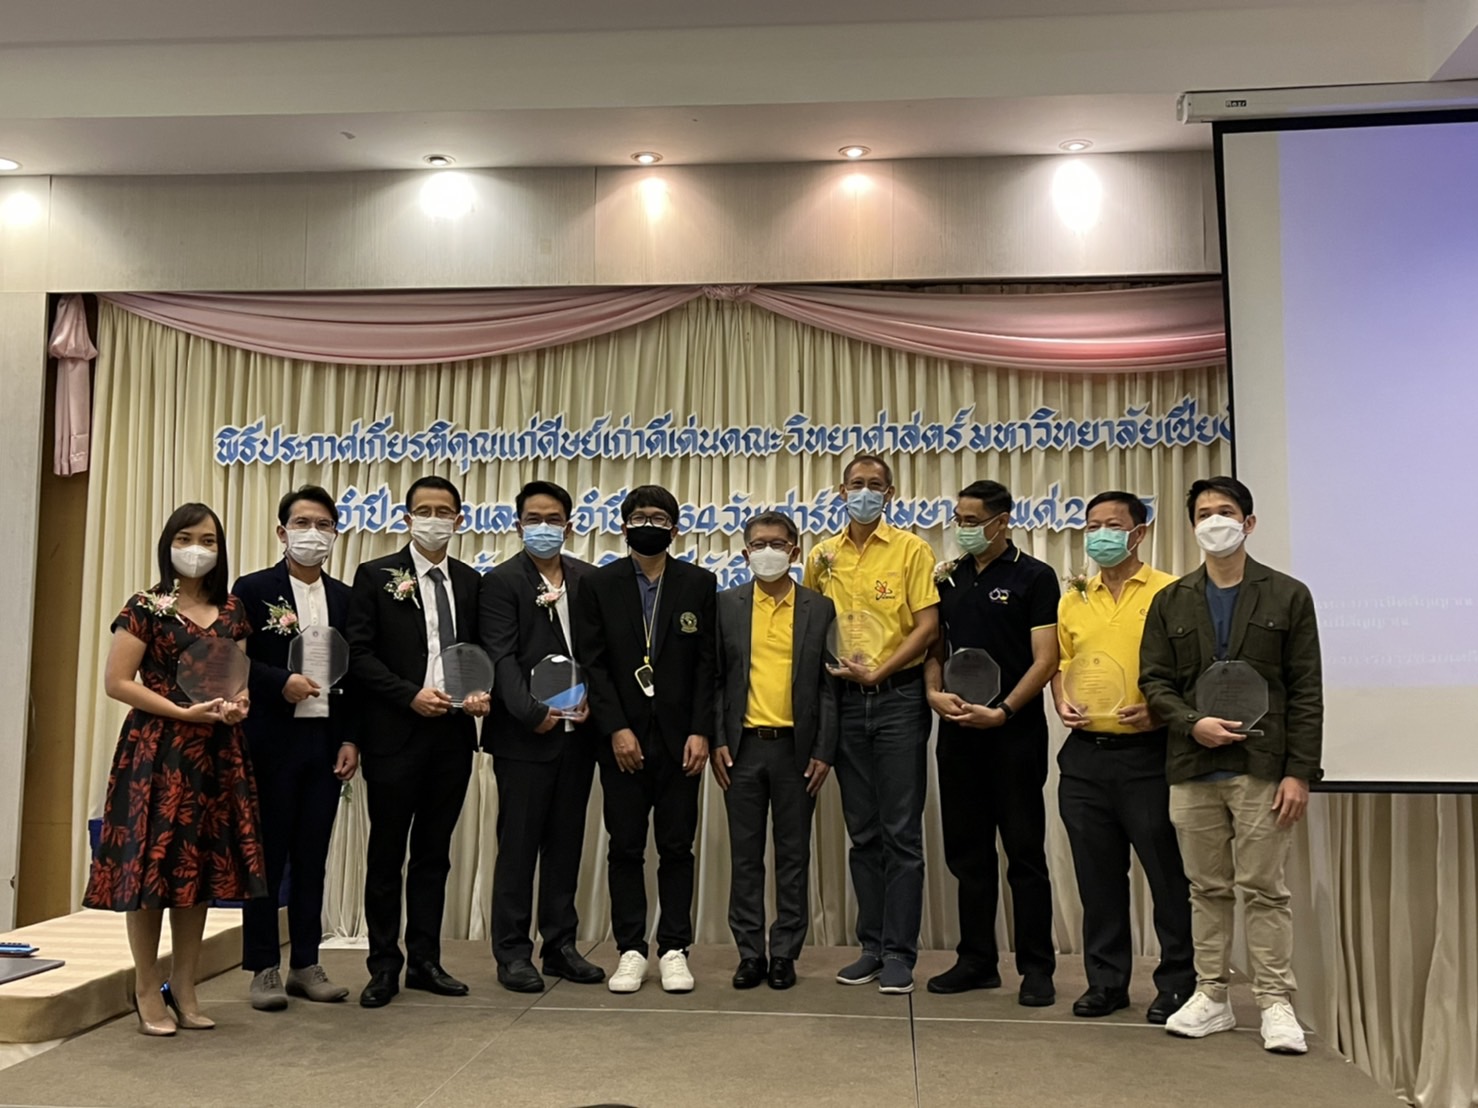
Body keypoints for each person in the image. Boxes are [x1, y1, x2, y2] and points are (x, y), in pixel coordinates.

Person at [1139, 476, 1323, 1054]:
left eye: (1225, 511)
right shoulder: (1171, 600)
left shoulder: (1287, 595)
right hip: (1192, 765)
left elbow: (1306, 690)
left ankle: (1274, 1002)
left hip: (1262, 765)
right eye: (1203, 513)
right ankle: (1211, 995)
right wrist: (1192, 721)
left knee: (1265, 890)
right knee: (1205, 889)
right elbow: (1154, 681)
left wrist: (1299, 771)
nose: (1214, 521)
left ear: (1248, 523)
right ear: (1192, 525)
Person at [84, 503, 263, 1036]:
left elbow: (237, 678)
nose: (197, 549)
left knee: (198, 869)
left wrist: (239, 704)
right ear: (168, 544)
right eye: (186, 538)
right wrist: (181, 712)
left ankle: (185, 985)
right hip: (157, 752)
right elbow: (118, 682)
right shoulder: (145, 606)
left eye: (208, 540)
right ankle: (146, 986)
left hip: (217, 754)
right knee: (150, 869)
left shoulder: (232, 609)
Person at [346, 475, 489, 1009]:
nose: (434, 519)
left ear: (459, 519)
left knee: (434, 855)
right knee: (387, 855)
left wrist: (479, 693)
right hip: (395, 734)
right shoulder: (376, 574)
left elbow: (479, 653)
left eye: (443, 511)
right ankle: (384, 965)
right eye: (424, 511)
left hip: (452, 736)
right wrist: (409, 696)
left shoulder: (471, 581)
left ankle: (426, 961)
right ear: (407, 519)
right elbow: (359, 655)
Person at [1052, 490, 1193, 1023]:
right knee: (1097, 878)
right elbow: (1063, 662)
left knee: (1167, 876)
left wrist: (1160, 712)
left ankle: (1178, 984)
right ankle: (1106, 983)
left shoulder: (1171, 592)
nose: (1100, 535)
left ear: (1139, 532)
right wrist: (1060, 699)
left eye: (1112, 525)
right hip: (1085, 758)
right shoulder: (1074, 596)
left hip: (1149, 756)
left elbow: (1191, 668)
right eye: (1092, 526)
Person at [803, 455, 938, 995]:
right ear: (841, 491)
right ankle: (872, 947)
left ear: (891, 493)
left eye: (875, 485)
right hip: (844, 702)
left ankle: (901, 953)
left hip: (898, 697)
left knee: (901, 831)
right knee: (863, 832)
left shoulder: (911, 549)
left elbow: (927, 626)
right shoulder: (822, 555)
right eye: (856, 484)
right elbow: (811, 624)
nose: (865, 492)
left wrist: (881, 669)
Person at [574, 484, 717, 995]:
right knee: (626, 847)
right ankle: (631, 949)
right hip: (622, 742)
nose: (648, 525)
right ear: (624, 526)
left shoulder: (699, 582)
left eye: (658, 517)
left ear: (674, 528)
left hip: (682, 742)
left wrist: (701, 729)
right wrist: (616, 728)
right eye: (639, 517)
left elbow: (708, 665)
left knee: (677, 847)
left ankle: (675, 949)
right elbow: (593, 663)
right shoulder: (599, 584)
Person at [923, 479, 1060, 1005]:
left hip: (1013, 733)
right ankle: (977, 960)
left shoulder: (1034, 576)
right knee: (967, 853)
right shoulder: (948, 576)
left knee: (1024, 853)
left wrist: (1003, 711)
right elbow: (935, 647)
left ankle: (1037, 968)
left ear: (1002, 522)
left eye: (972, 521)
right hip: (958, 732)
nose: (963, 528)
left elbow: (1046, 659)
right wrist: (933, 692)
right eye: (958, 519)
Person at [233, 485, 360, 1011]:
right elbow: (234, 660)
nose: (313, 533)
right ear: (282, 532)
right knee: (267, 857)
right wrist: (277, 681)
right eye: (303, 523)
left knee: (313, 856)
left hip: (325, 742)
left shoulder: (346, 597)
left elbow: (356, 673)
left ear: (335, 534)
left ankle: (306, 963)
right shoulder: (253, 588)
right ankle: (264, 966)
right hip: (271, 741)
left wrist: (351, 738)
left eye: (323, 524)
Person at [478, 480, 604, 993]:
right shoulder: (502, 581)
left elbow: (599, 653)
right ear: (518, 525)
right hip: (524, 737)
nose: (544, 527)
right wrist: (532, 714)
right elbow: (501, 656)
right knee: (518, 846)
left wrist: (595, 700)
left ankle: (560, 946)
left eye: (553, 519)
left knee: (565, 845)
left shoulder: (588, 578)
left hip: (579, 735)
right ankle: (512, 953)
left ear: (569, 525)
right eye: (534, 519)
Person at [713, 511, 839, 990]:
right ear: (746, 553)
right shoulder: (725, 605)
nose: (769, 552)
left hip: (796, 751)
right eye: (759, 544)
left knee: (793, 857)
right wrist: (718, 738)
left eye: (778, 544)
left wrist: (824, 750)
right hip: (742, 749)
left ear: (795, 550)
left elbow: (829, 687)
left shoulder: (819, 608)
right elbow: (715, 679)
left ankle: (785, 952)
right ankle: (749, 954)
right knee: (745, 857)